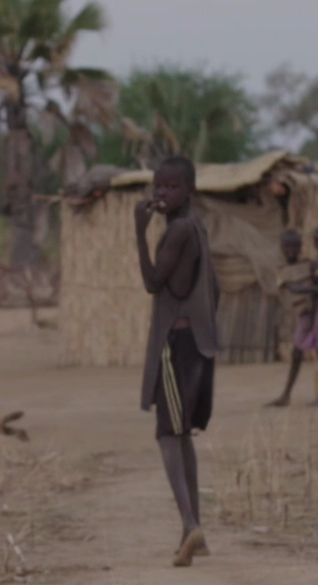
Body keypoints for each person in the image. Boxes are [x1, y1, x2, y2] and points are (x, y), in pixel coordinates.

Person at [133, 155, 220, 567]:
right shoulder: (196, 227)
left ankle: (189, 523)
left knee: (168, 435)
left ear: (189, 190)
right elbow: (213, 289)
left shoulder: (178, 231)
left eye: (172, 187)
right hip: (197, 344)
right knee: (182, 435)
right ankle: (194, 533)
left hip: (176, 345)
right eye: (159, 186)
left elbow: (153, 282)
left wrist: (138, 232)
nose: (163, 193)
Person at [269, 227, 318, 407]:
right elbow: (293, 287)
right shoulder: (283, 270)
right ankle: (286, 395)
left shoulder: (310, 264)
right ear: (282, 248)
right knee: (297, 352)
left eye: (295, 246)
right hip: (305, 314)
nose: (292, 250)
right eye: (288, 247)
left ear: (301, 247)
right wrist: (316, 289)